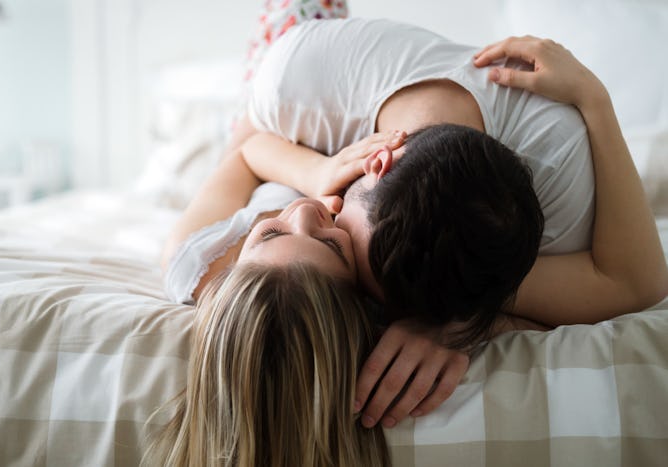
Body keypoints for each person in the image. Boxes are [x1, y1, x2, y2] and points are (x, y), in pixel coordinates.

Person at [163, 4, 668, 431]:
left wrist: (451, 325)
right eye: (335, 240)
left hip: (331, 86)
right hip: (294, 87)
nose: (312, 210)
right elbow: (247, 144)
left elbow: (636, 285)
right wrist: (315, 168)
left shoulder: (193, 258)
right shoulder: (303, 77)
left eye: (272, 230)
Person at [143, 263, 391, 467]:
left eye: (270, 234)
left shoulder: (197, 267)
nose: (303, 212)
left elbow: (225, 198)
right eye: (333, 245)